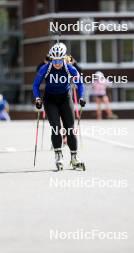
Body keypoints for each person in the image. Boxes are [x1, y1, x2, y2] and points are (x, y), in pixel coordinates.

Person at [33, 42, 86, 170]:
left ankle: (74, 157)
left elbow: (80, 84)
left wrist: (81, 97)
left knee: (70, 128)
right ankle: (58, 155)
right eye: (54, 60)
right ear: (52, 58)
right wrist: (38, 99)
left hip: (65, 99)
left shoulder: (70, 68)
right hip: (50, 99)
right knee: (56, 127)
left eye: (59, 60)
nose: (57, 63)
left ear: (63, 58)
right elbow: (35, 85)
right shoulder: (45, 68)